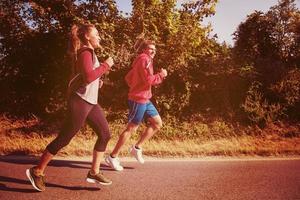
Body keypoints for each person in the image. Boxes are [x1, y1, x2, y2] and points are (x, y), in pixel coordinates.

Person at [26, 23, 114, 191]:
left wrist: (98, 80)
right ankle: (37, 171)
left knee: (105, 134)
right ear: (87, 37)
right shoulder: (85, 52)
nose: (100, 37)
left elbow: (88, 76)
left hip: (91, 101)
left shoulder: (90, 53)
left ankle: (94, 172)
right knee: (65, 138)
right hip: (80, 101)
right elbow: (88, 77)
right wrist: (106, 65)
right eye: (97, 34)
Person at [105, 38, 168, 171]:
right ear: (144, 49)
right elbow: (149, 80)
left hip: (145, 98)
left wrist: (136, 86)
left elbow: (128, 77)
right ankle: (112, 156)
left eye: (154, 49)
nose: (153, 51)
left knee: (157, 123)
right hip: (138, 100)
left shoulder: (143, 60)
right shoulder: (144, 59)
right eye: (150, 48)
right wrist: (161, 75)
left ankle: (136, 148)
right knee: (131, 129)